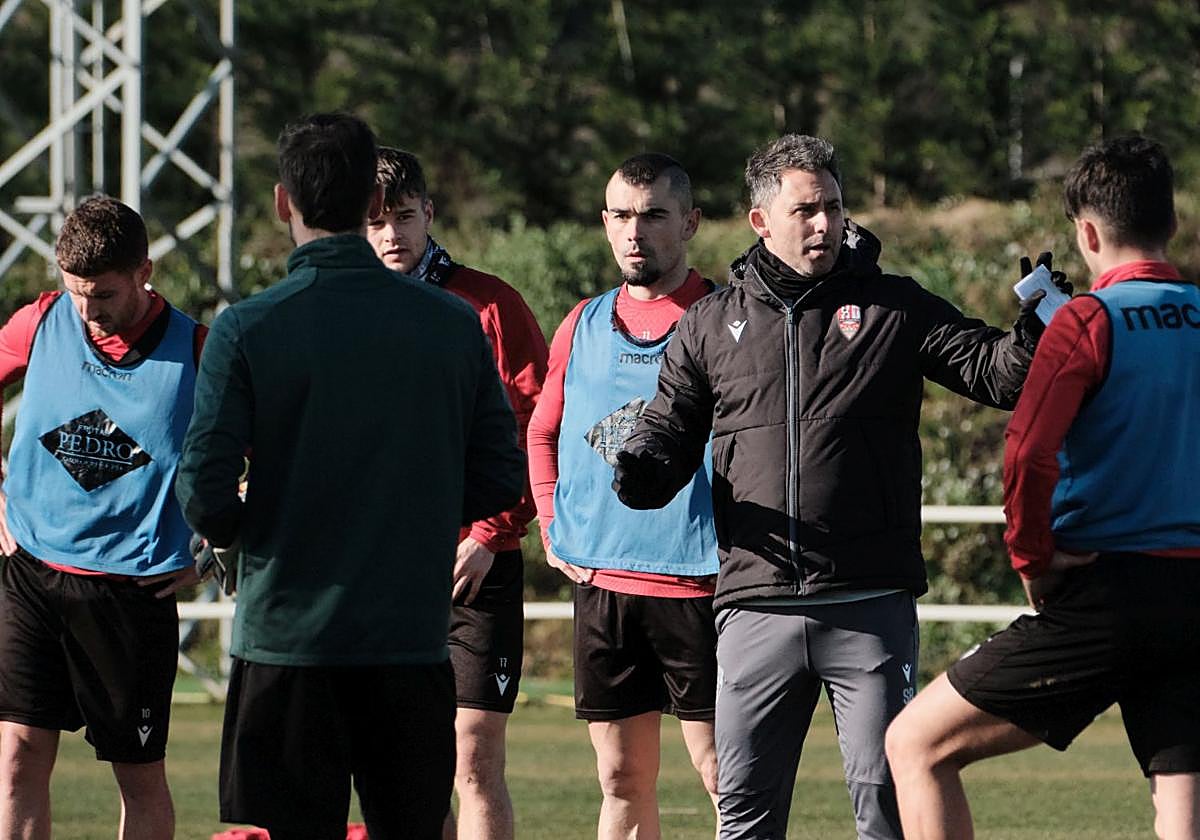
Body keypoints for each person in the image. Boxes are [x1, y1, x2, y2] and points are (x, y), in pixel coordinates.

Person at [613, 134, 1050, 840]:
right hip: (755, 608)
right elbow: (667, 431)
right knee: (744, 817)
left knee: (886, 812)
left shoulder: (894, 307)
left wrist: (1031, 336)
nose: (824, 224)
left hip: (869, 602)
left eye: (834, 207)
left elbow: (994, 373)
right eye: (805, 209)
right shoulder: (707, 325)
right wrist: (642, 469)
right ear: (761, 220)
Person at [175, 113, 526, 840]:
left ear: (281, 202)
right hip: (407, 638)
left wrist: (256, 532)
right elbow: (498, 478)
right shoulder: (451, 324)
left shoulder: (247, 326)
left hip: (286, 640)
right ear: (373, 200)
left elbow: (203, 491)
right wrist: (410, 508)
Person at [885, 136, 1200, 839]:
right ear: (1171, 223)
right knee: (1182, 802)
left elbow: (1028, 453)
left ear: (1085, 233)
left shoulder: (1089, 320)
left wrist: (1034, 559)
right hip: (1194, 596)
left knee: (915, 745)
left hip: (1108, 594)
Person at [526, 152, 721, 838]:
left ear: (690, 223)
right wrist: (553, 527)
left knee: (728, 776)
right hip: (604, 585)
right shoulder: (583, 320)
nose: (634, 232)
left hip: (701, 589)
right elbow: (542, 434)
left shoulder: (727, 318)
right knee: (620, 779)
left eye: (653, 215)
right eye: (620, 215)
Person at [0, 195, 205, 839]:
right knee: (16, 758)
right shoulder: (42, 320)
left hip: (130, 595)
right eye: (76, 292)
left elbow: (276, 460)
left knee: (136, 777)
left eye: (106, 294)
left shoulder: (199, 350)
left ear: (145, 271)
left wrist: (218, 549)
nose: (89, 311)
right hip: (30, 575)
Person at [366, 146, 548, 840]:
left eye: (404, 218)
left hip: (476, 563)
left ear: (429, 214)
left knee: (474, 758)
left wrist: (491, 532)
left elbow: (535, 425)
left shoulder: (490, 303)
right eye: (375, 224)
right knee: (404, 763)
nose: (392, 236)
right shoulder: (346, 311)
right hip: (380, 568)